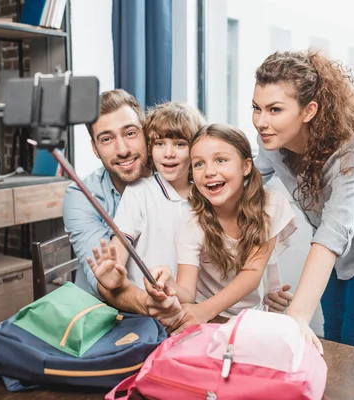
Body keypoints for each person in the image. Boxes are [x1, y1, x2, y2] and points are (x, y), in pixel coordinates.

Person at [252, 50, 354, 353]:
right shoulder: (273, 141)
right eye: (256, 108)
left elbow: (334, 229)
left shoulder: (353, 145)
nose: (261, 122)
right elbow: (247, 181)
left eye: (274, 109)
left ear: (309, 110)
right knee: (333, 329)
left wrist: (298, 316)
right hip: (330, 233)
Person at [140, 124, 298, 334]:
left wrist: (202, 311)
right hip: (210, 321)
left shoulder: (270, 204)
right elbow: (187, 292)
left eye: (220, 160)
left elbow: (252, 273)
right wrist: (170, 284)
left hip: (251, 318)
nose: (209, 172)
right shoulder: (190, 221)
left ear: (246, 166)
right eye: (198, 164)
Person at [62, 89, 181, 328]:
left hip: (173, 311)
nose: (123, 149)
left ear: (146, 133)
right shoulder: (81, 196)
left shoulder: (174, 175)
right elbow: (105, 283)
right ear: (95, 148)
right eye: (106, 139)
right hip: (104, 322)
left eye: (130, 133)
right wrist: (152, 304)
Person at [86, 102, 205, 293]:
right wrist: (113, 268)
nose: (169, 154)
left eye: (180, 144)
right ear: (150, 147)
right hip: (147, 302)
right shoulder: (139, 192)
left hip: (189, 302)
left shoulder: (204, 194)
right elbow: (121, 241)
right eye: (159, 144)